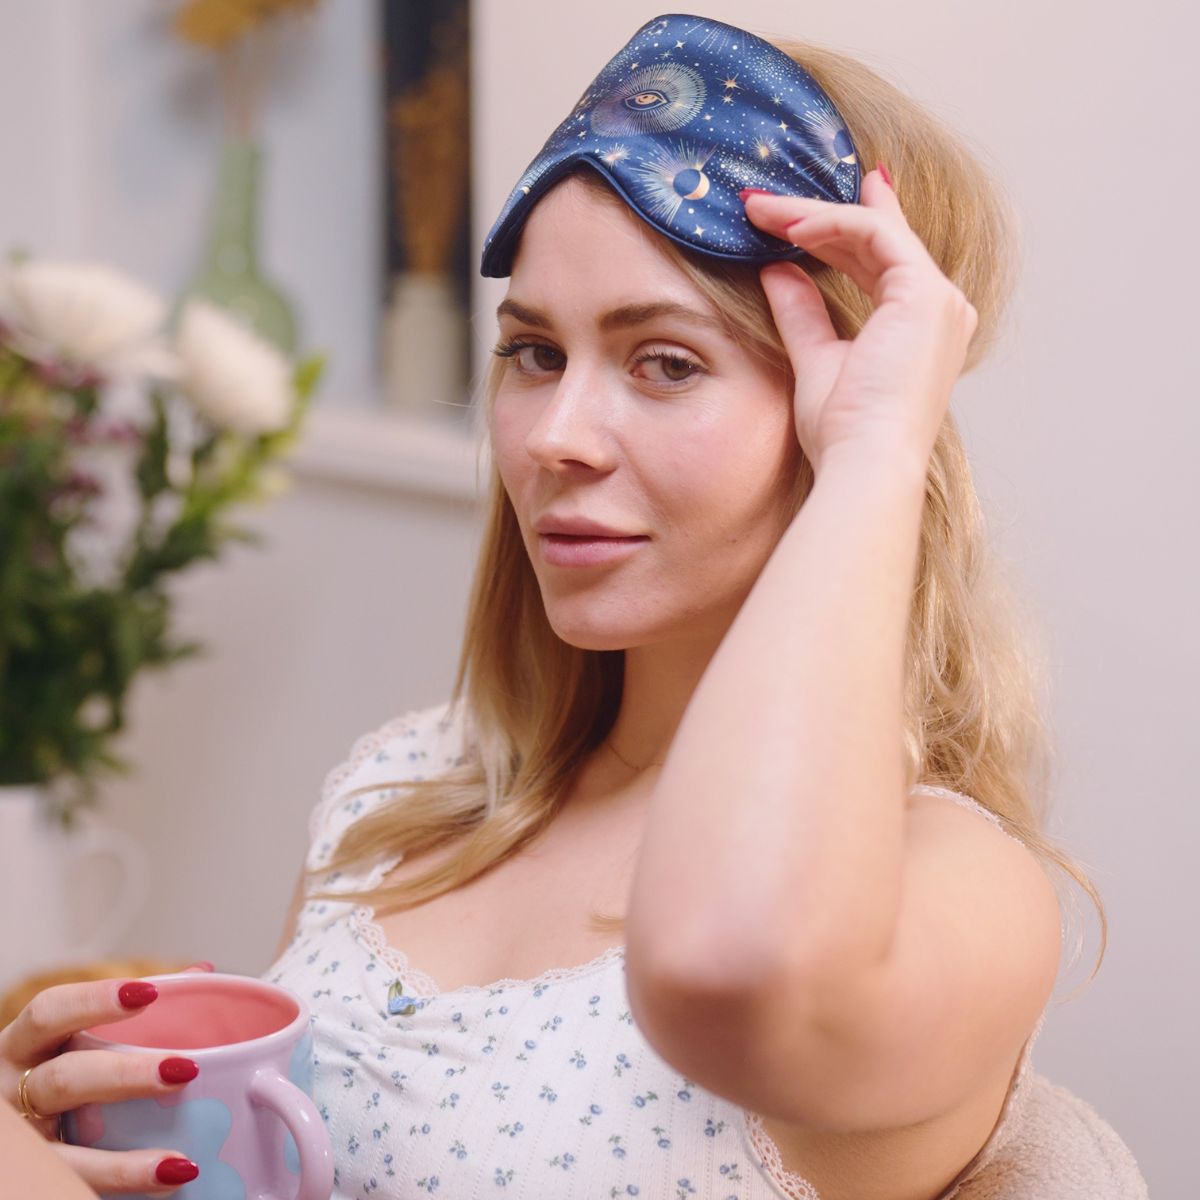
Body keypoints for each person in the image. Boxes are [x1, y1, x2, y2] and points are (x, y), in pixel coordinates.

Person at [1, 12, 1141, 1198]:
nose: (551, 439)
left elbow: (728, 969)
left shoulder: (956, 889)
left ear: (845, 400)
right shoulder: (398, 792)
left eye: (665, 363)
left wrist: (872, 465)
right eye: (534, 353)